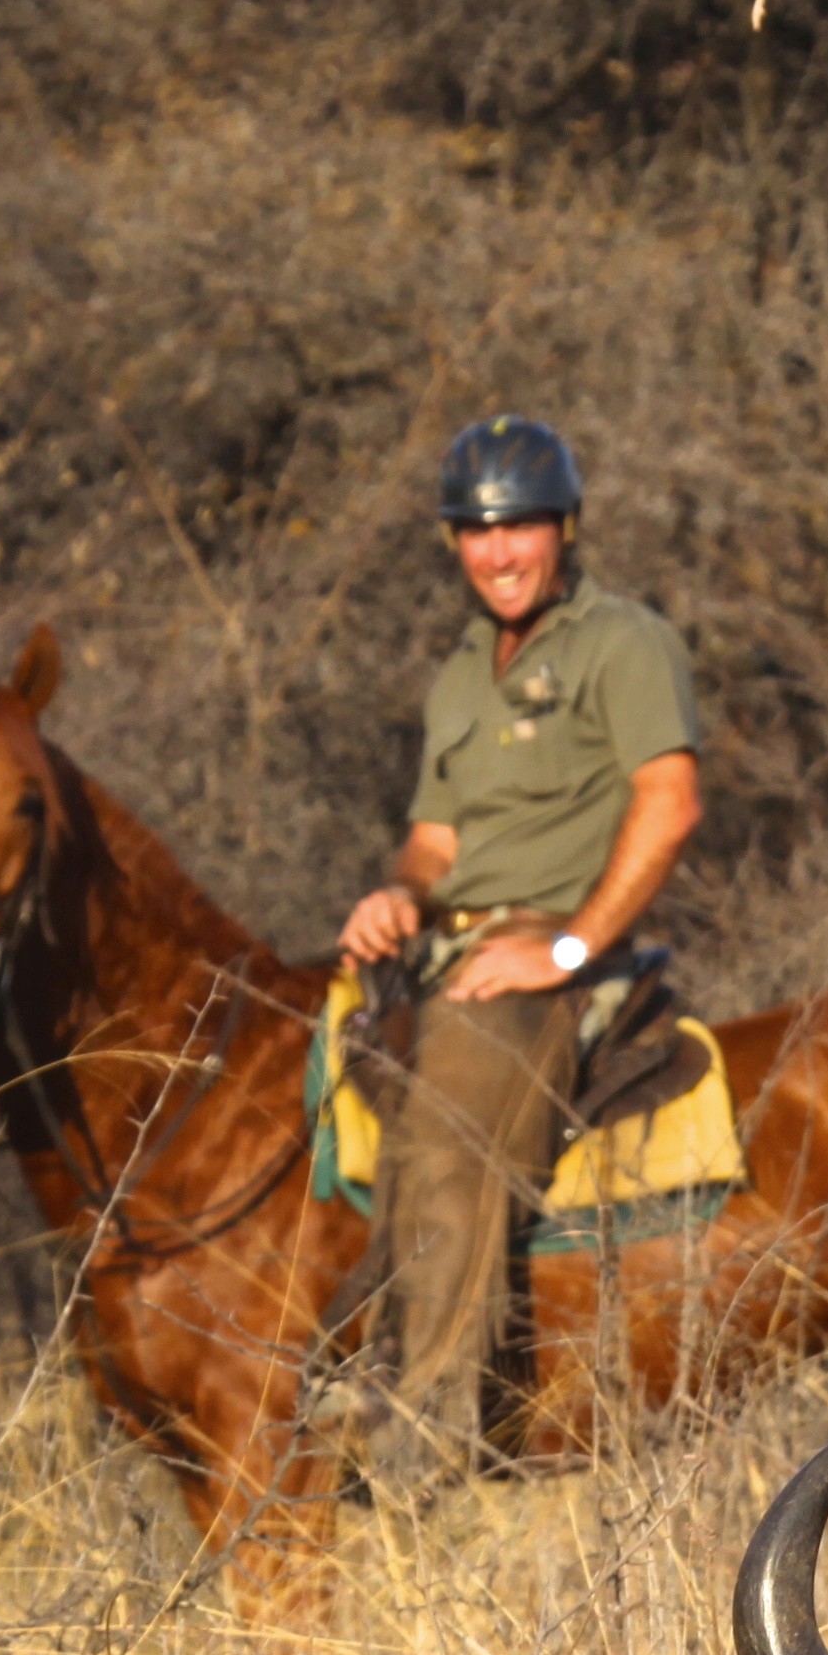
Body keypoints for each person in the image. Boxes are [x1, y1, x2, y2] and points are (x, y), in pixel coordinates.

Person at [334, 415, 704, 1472]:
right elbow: (435, 840)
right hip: (446, 947)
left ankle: (422, 1433)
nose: (499, 553)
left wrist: (571, 952)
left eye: (522, 529)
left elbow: (669, 804)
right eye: (477, 531)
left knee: (445, 1139)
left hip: (544, 952)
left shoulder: (623, 643)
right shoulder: (460, 671)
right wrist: (396, 895)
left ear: (566, 529)